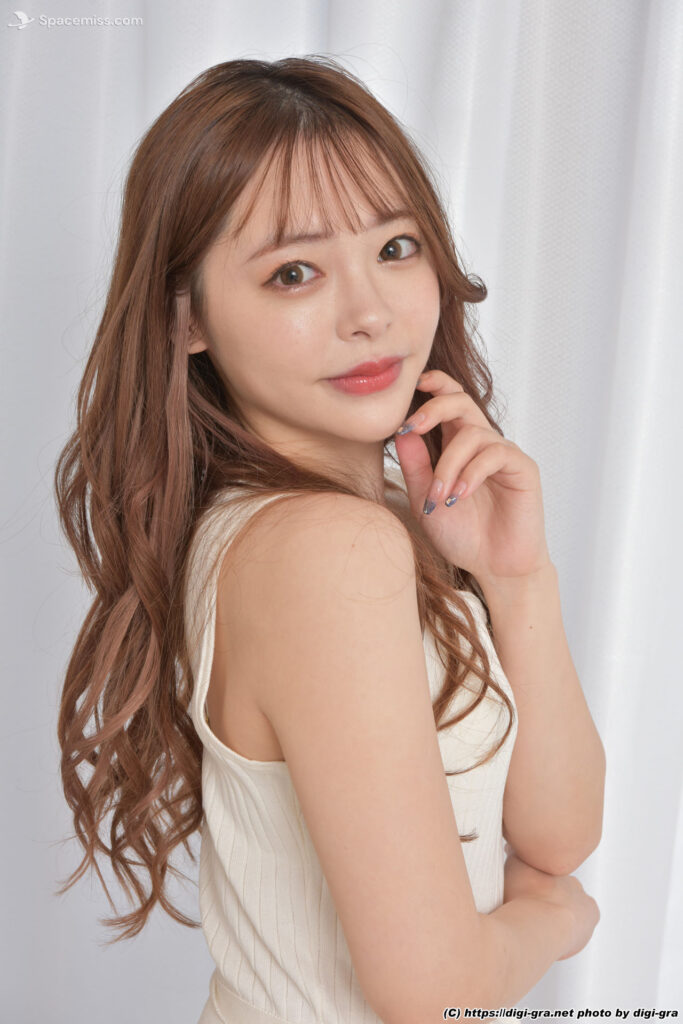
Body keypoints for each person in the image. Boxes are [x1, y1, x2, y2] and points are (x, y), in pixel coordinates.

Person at [53, 55, 605, 1024]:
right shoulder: (323, 549)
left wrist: (516, 579)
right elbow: (433, 989)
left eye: (395, 246)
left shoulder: (353, 523)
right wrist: (555, 921)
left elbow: (554, 834)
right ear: (186, 316)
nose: (370, 313)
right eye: (294, 272)